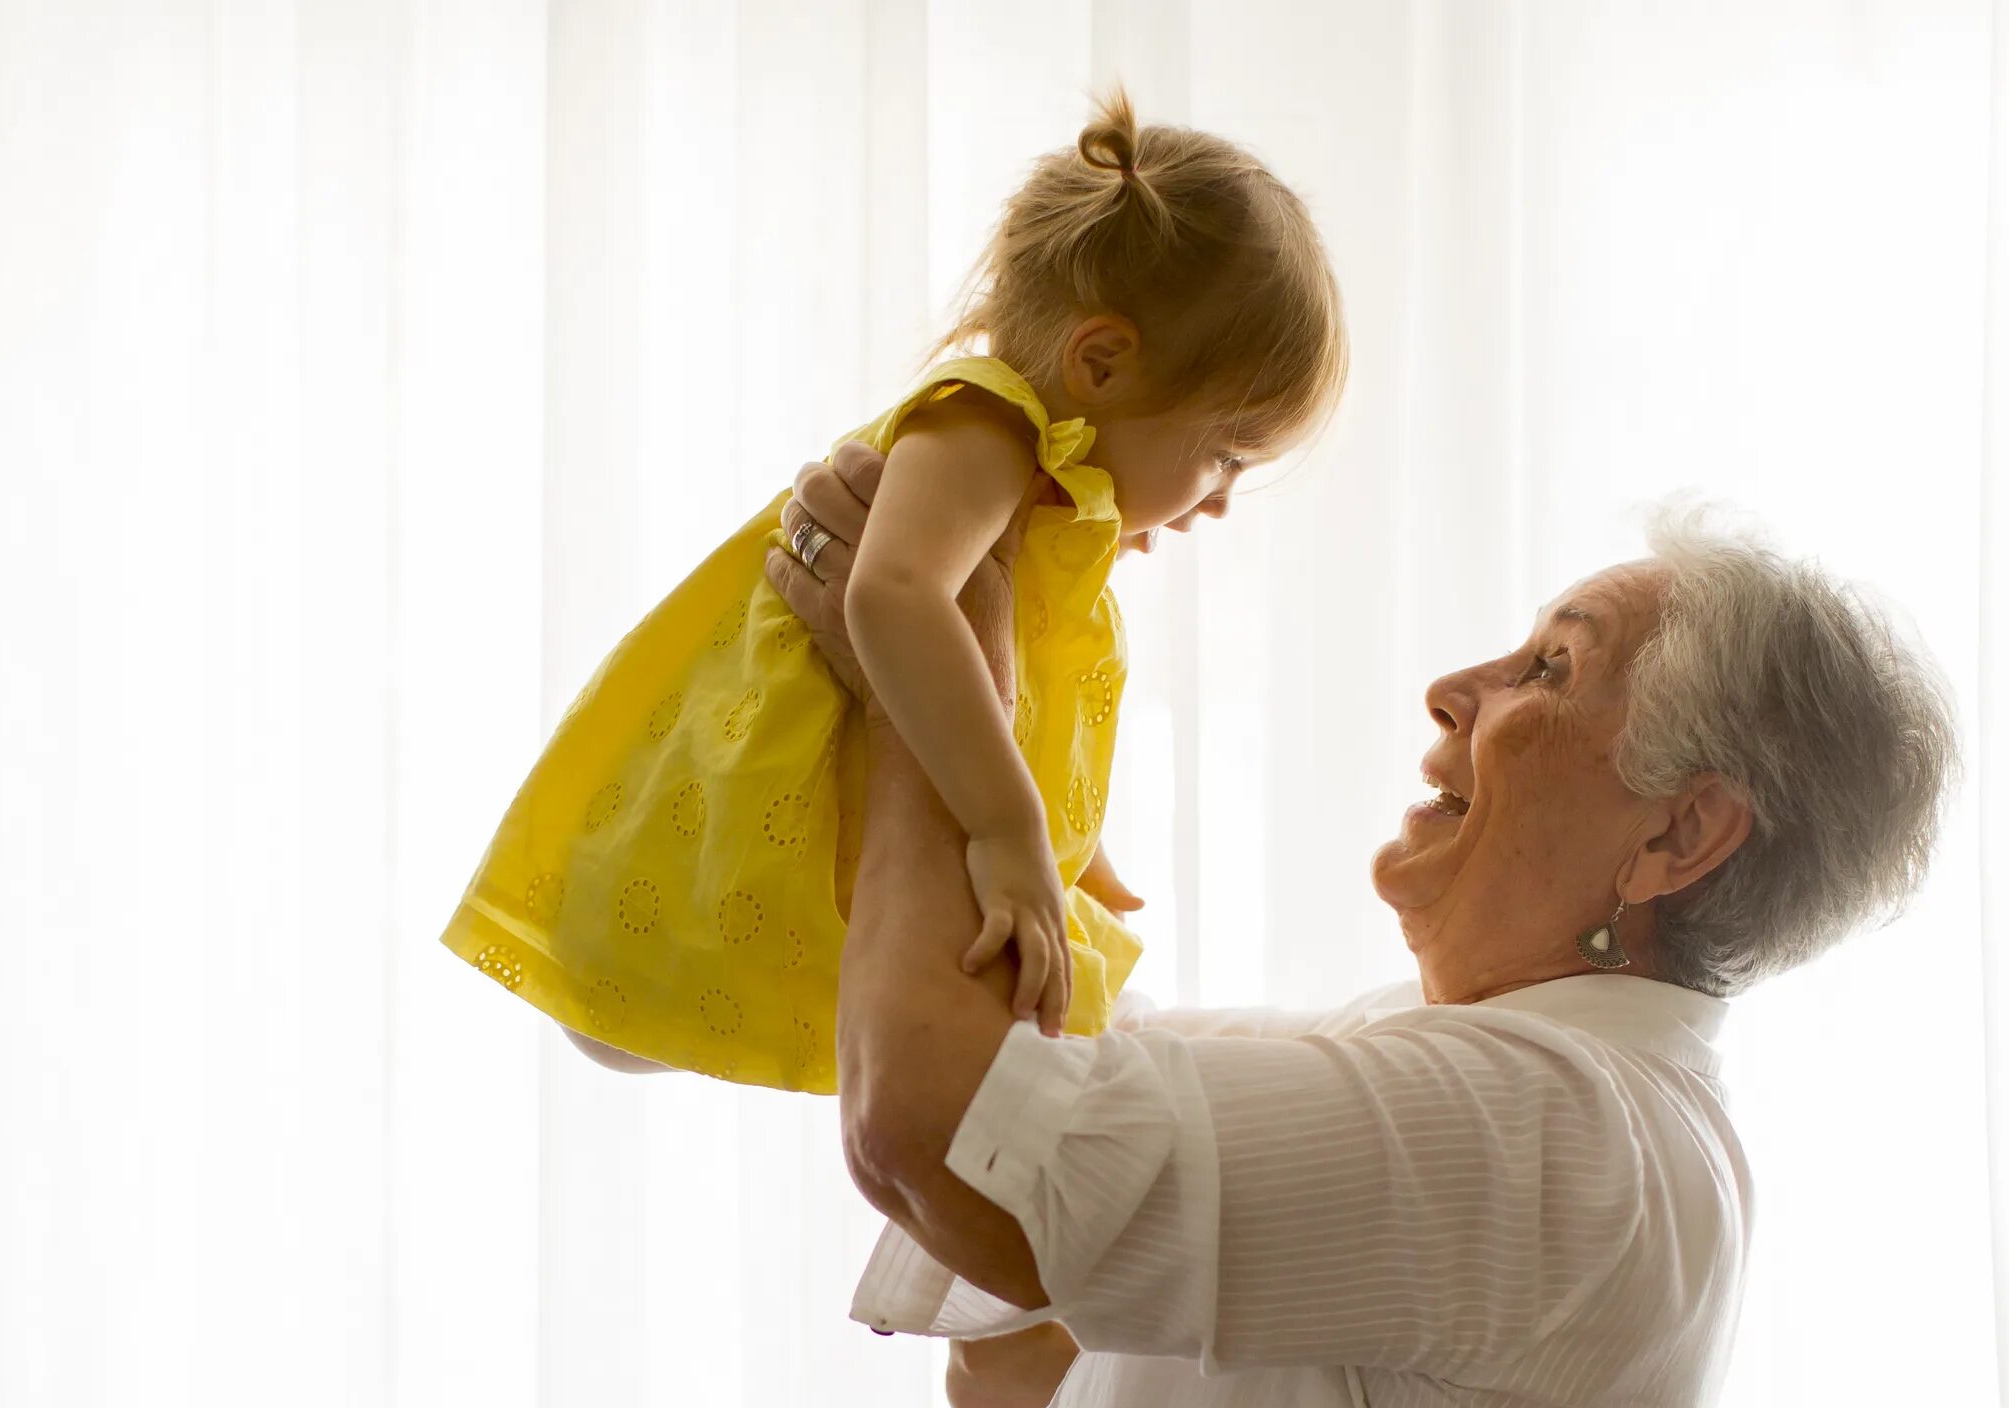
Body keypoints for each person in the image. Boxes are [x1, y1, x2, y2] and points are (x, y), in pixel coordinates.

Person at [761, 448, 1961, 1408]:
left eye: (1549, 670)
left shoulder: (1558, 1129)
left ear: (1677, 841)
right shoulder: (1410, 1069)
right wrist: (930, 677)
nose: (1452, 689)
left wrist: (939, 674)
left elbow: (933, 1129)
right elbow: (1002, 1358)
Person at [439, 91, 1343, 1089]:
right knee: (633, 1010)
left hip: (863, 806)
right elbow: (894, 599)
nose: (1218, 499)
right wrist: (1010, 827)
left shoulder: (1046, 498)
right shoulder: (984, 426)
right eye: (1222, 454)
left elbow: (1012, 686)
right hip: (776, 788)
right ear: (1100, 362)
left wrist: (1075, 849)